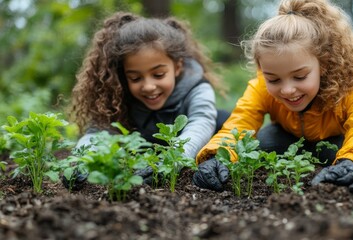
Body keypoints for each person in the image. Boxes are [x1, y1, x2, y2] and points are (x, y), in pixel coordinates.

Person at [192, 0, 353, 197]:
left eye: (299, 77)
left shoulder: (350, 91)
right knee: (264, 143)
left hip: (332, 142)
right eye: (273, 79)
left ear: (323, 64)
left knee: (340, 153)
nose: (287, 90)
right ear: (262, 70)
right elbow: (240, 123)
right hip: (284, 139)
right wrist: (218, 156)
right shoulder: (260, 86)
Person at [63, 12, 229, 190]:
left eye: (158, 75)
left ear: (178, 67)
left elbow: (201, 123)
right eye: (135, 78)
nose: (148, 86)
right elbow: (97, 132)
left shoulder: (197, 87)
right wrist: (82, 160)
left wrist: (169, 161)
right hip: (142, 153)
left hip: (189, 147)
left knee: (223, 120)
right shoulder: (117, 95)